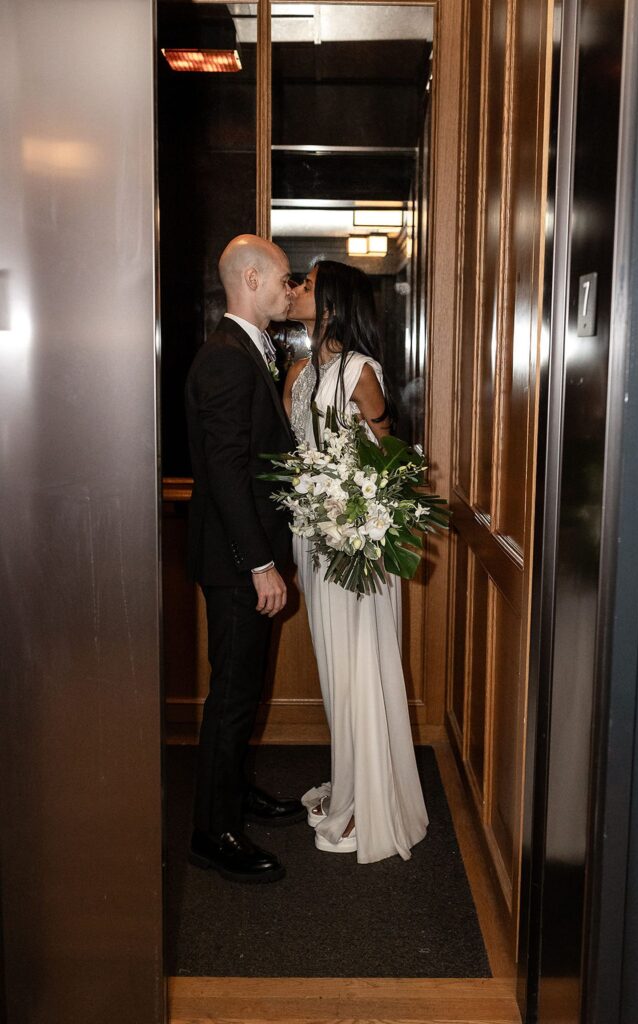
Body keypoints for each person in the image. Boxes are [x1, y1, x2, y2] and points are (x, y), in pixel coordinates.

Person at [283, 260, 429, 863]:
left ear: (333, 305)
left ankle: (369, 803)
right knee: (334, 671)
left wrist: (356, 507)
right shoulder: (296, 372)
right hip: (314, 541)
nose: (294, 291)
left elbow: (391, 461)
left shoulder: (361, 373)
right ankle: (348, 781)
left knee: (362, 668)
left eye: (307, 286)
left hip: (359, 547)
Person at [185, 234, 305, 885]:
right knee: (231, 696)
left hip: (242, 555)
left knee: (242, 690)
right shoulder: (227, 360)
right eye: (285, 279)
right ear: (252, 278)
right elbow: (228, 475)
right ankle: (214, 831)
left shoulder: (244, 351)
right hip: (236, 562)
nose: (290, 291)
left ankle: (234, 795)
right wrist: (259, 564)